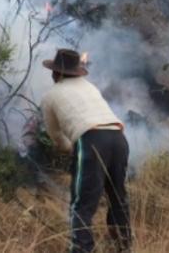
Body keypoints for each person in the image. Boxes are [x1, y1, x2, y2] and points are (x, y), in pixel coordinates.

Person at [40, 48, 131, 252]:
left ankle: (82, 249)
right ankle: (124, 246)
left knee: (82, 205)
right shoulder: (90, 87)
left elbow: (57, 138)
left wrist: (73, 150)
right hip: (119, 138)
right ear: (75, 72)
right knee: (118, 199)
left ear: (56, 73)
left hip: (91, 139)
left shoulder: (50, 96)